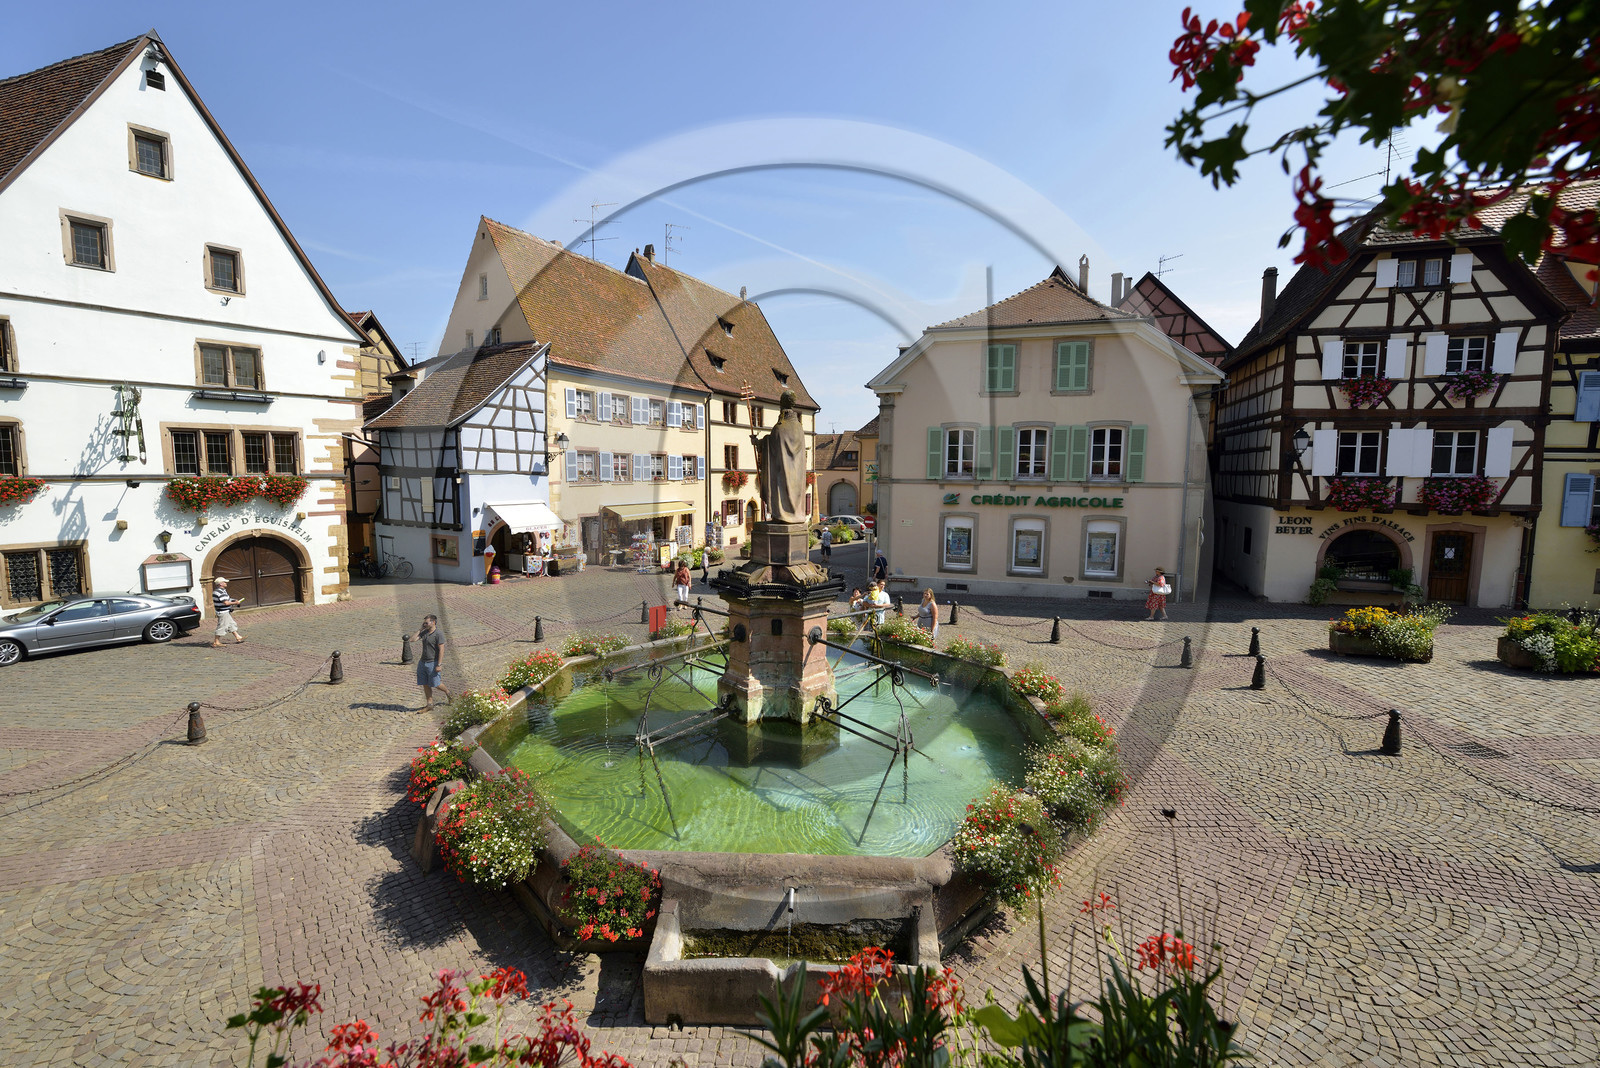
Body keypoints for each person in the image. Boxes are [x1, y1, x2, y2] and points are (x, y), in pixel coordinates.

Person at [416, 614, 452, 712]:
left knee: (436, 684)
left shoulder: (438, 634)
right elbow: (412, 639)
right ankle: (429, 704)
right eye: (424, 623)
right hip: (422, 662)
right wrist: (420, 629)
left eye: (427, 623)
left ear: (433, 622)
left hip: (433, 663)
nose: (425, 624)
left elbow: (441, 650)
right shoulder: (425, 632)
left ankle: (448, 692)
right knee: (425, 683)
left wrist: (439, 664)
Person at [209, 577, 244, 648]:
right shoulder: (220, 592)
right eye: (225, 582)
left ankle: (238, 637)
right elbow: (226, 602)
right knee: (222, 626)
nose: (226, 583)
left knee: (231, 624)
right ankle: (216, 642)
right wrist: (235, 603)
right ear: (221, 584)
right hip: (223, 612)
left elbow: (227, 599)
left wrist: (234, 600)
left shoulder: (222, 591)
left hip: (225, 611)